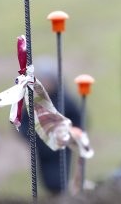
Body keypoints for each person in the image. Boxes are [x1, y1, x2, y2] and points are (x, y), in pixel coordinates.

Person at [18, 56, 83, 195]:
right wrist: (31, 137)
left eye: (48, 79)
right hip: (42, 148)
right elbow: (23, 123)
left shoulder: (65, 99)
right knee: (47, 181)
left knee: (61, 178)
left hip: (62, 148)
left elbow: (78, 119)